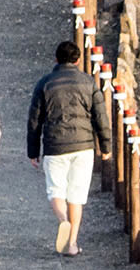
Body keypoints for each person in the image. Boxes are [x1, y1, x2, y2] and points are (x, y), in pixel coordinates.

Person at [26, 39, 112, 256]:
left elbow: (34, 120)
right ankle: (72, 243)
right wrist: (105, 145)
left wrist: (33, 151)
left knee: (56, 191)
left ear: (56, 59)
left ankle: (62, 220)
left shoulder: (45, 83)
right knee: (77, 195)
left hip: (55, 145)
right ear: (78, 59)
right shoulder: (88, 83)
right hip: (83, 146)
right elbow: (100, 117)